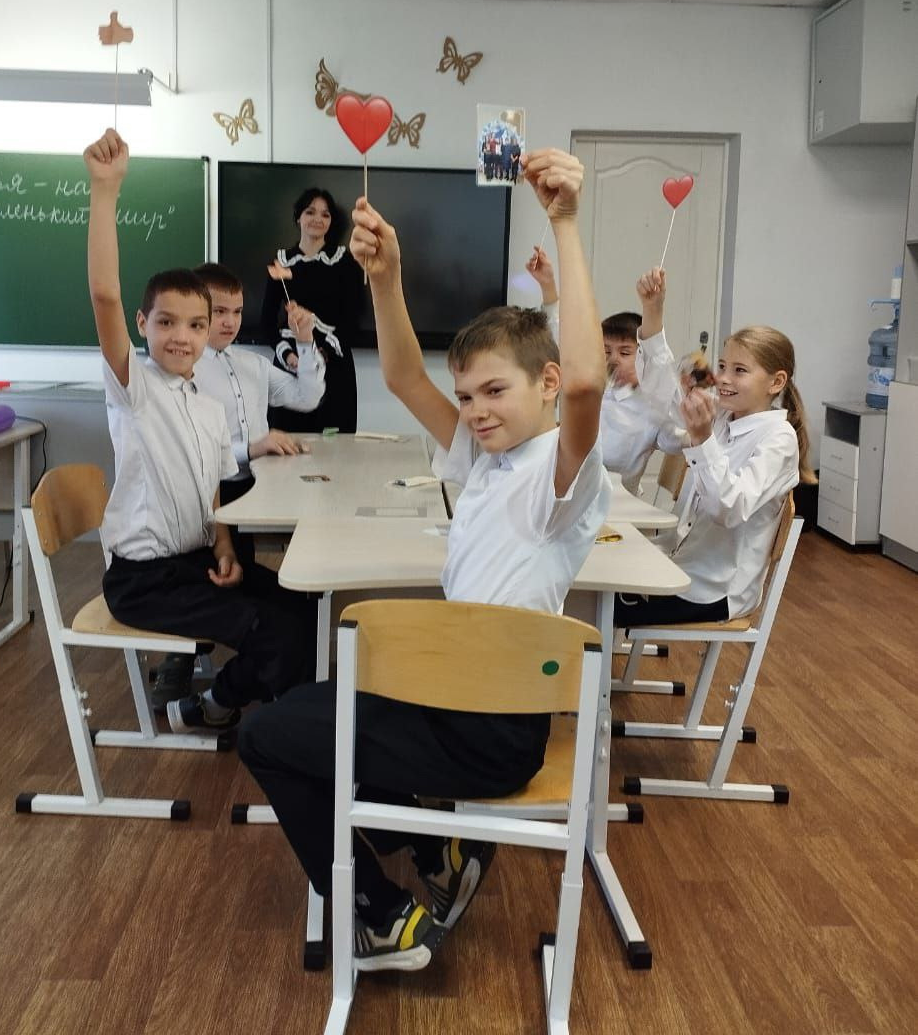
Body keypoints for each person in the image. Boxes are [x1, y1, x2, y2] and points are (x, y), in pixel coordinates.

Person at [238, 147, 610, 974]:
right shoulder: (486, 459)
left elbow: (590, 384)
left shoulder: (561, 476)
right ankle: (435, 854)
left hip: (489, 728)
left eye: (495, 392)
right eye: (467, 396)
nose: (474, 411)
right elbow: (406, 377)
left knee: (269, 734)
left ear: (546, 383)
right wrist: (388, 275)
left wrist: (564, 221)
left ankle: (382, 916)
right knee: (309, 711)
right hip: (447, 700)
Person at [85, 128, 315, 733]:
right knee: (272, 632)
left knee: (303, 605)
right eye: (166, 322)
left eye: (194, 324)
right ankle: (213, 706)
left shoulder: (207, 406)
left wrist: (224, 548)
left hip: (196, 561)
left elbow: (214, 487)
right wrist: (105, 192)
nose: (181, 336)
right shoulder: (134, 387)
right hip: (143, 581)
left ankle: (252, 708)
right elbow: (104, 295)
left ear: (209, 328)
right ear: (143, 324)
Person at [150, 261, 326, 710]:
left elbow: (307, 397)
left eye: (236, 312)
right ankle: (181, 656)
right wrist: (253, 446)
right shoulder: (182, 371)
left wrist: (306, 342)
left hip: (248, 489)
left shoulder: (251, 364)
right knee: (209, 576)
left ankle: (274, 664)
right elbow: (192, 447)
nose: (229, 322)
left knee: (241, 577)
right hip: (203, 496)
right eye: (218, 312)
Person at [616, 266, 814, 628]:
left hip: (711, 590)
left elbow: (728, 508)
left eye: (740, 370)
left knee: (596, 602)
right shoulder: (723, 414)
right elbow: (662, 392)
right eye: (722, 366)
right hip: (678, 564)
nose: (722, 378)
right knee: (588, 574)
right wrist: (653, 311)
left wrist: (703, 439)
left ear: (776, 382)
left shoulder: (778, 440)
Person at [526, 249, 685, 493]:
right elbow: (560, 344)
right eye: (606, 351)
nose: (613, 360)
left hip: (616, 504)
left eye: (625, 353)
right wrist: (548, 286)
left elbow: (678, 438)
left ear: (643, 358)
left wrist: (653, 311)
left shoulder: (653, 407)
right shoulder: (593, 386)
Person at [260, 188, 363, 433]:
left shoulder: (345, 261)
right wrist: (289, 356)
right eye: (310, 212)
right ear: (299, 217)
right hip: (290, 364)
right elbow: (266, 321)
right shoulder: (281, 261)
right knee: (287, 441)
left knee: (335, 441)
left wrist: (321, 355)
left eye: (325, 214)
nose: (318, 219)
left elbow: (353, 318)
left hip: (333, 363)